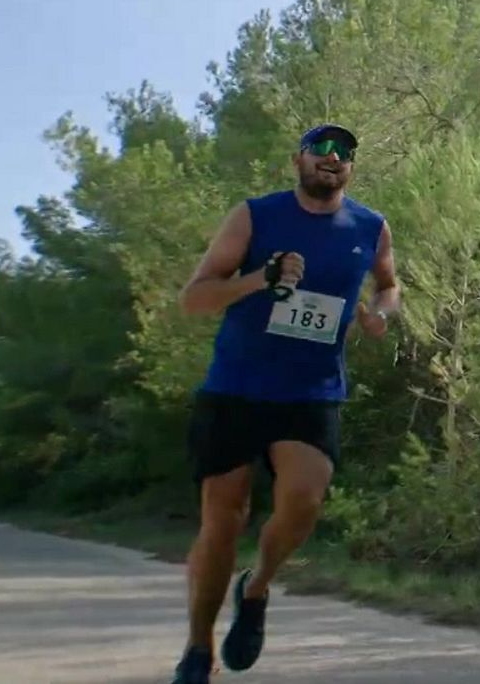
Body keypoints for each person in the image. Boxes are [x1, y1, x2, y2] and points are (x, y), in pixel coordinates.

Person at [170, 123, 400, 684]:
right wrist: (261, 278)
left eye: (344, 151)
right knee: (222, 523)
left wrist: (379, 315)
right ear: (298, 159)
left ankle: (256, 588)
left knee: (304, 502)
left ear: (350, 167)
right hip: (237, 387)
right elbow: (194, 299)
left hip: (311, 391)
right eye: (321, 148)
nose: (333, 157)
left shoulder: (370, 227)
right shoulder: (255, 216)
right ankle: (198, 650)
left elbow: (389, 285)